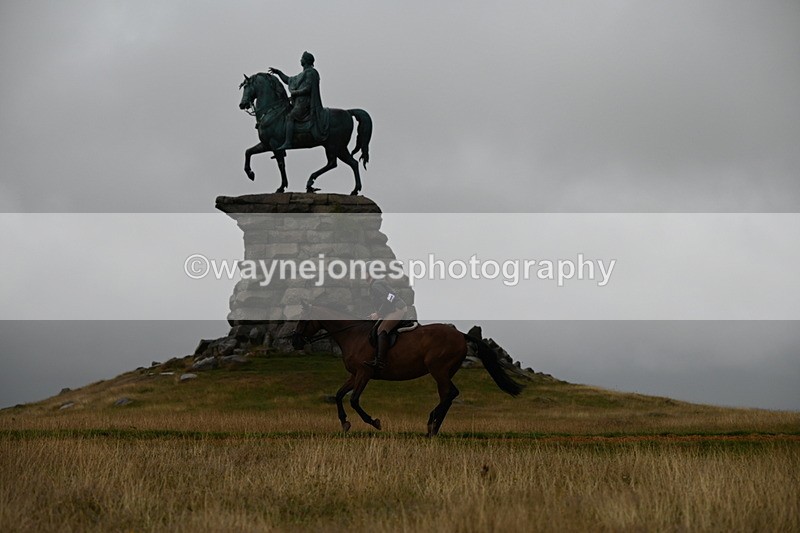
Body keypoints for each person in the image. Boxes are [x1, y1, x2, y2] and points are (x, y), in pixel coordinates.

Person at [268, 51, 329, 150]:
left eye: (302, 58)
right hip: (298, 102)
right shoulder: (302, 74)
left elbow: (308, 88)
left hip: (305, 103)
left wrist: (296, 93)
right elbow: (289, 80)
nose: (300, 60)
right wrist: (278, 72)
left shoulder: (311, 72)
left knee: (290, 116)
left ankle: (288, 142)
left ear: (306, 61)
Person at [364, 275, 408, 369]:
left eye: (364, 272)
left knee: (381, 330)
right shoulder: (375, 284)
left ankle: (381, 362)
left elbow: (390, 297)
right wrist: (376, 313)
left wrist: (379, 314)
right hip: (393, 308)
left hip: (397, 308)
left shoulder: (376, 285)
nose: (363, 274)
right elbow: (388, 298)